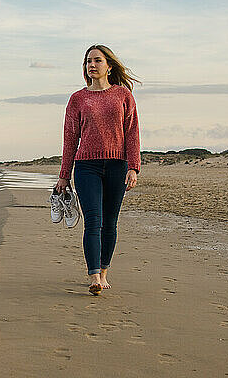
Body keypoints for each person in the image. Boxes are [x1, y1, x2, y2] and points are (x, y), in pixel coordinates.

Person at [55, 44, 141, 295]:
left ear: (109, 66)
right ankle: (93, 275)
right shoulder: (78, 99)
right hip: (86, 167)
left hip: (117, 165)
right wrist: (63, 175)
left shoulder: (123, 95)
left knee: (110, 222)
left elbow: (132, 132)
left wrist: (133, 167)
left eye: (97, 61)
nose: (91, 65)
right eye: (88, 61)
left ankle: (104, 271)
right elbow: (70, 138)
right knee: (94, 220)